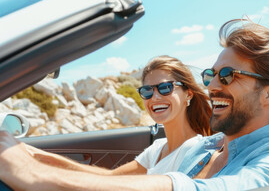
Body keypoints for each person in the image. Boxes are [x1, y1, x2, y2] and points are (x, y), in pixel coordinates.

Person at [0, 18, 269, 191]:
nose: (213, 85)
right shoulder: (204, 148)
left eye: (228, 76)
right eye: (211, 75)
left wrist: (36, 176)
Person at [26, 55, 212, 176]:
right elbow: (112, 179)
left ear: (188, 93)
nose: (155, 97)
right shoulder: (157, 149)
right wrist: (39, 159)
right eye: (147, 91)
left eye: (165, 88)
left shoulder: (194, 150)